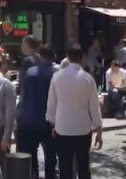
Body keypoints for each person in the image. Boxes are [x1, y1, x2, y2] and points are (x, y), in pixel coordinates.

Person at [46, 44, 103, 179]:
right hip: (82, 129)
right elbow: (94, 106)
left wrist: (52, 124)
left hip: (63, 128)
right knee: (83, 167)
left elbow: (51, 104)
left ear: (67, 57)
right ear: (82, 58)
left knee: (65, 167)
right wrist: (99, 129)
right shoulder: (88, 79)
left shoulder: (57, 77)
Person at [16, 46, 57, 179]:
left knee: (31, 155)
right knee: (50, 157)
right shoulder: (56, 74)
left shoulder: (30, 73)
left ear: (40, 56)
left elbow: (23, 95)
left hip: (30, 121)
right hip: (50, 122)